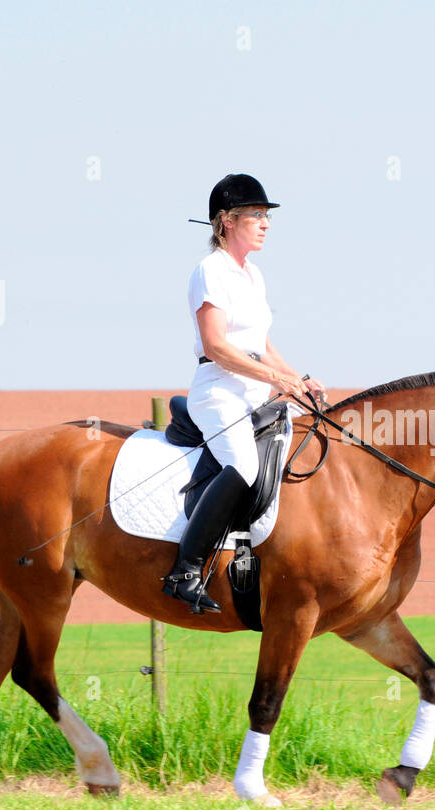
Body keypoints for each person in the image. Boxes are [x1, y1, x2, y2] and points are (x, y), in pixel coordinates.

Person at [162, 173, 327, 612]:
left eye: (265, 215)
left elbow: (263, 345)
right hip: (219, 389)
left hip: (254, 387)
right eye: (256, 214)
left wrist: (298, 379)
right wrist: (278, 382)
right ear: (226, 222)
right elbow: (217, 345)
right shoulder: (210, 271)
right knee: (244, 464)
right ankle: (185, 570)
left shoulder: (252, 274)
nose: (265, 223)